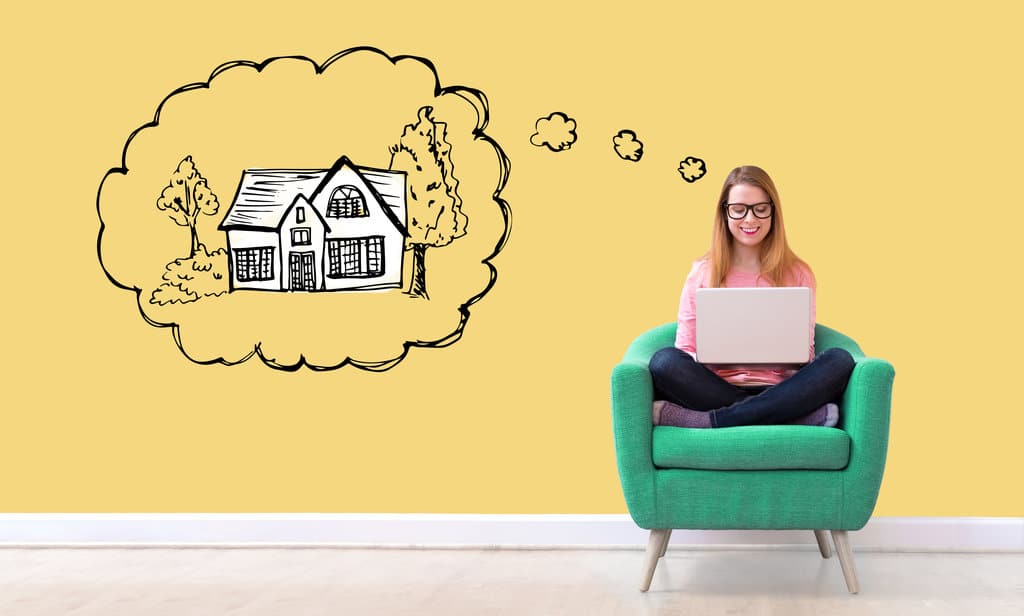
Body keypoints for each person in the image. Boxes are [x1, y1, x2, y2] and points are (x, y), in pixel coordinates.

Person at [649, 165, 855, 429]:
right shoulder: (702, 272)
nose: (750, 219)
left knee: (840, 359)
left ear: (773, 211)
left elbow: (806, 352)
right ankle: (793, 419)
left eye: (760, 209)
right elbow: (685, 349)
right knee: (664, 361)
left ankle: (711, 421)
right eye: (739, 209)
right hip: (714, 389)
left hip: (785, 389)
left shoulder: (799, 272)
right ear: (725, 212)